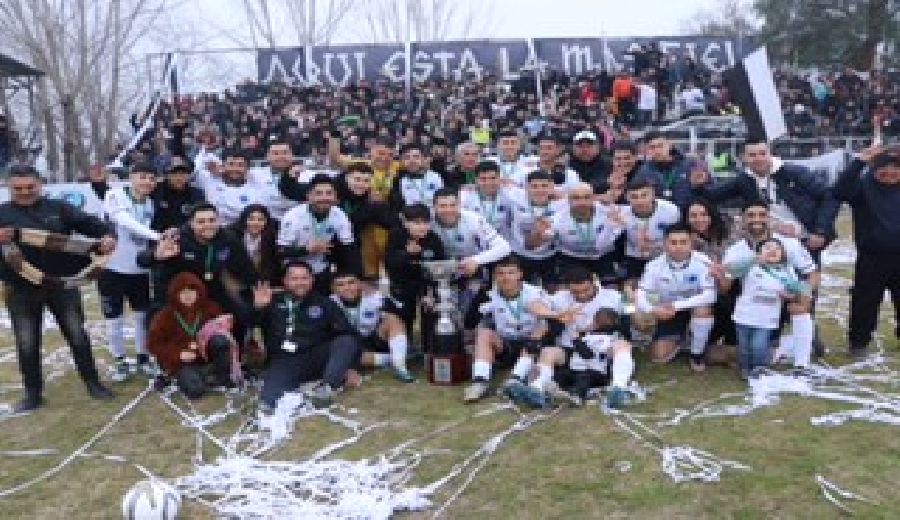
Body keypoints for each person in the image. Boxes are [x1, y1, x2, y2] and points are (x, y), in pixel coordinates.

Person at [0, 165, 116, 412]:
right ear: (9, 187)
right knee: (27, 342)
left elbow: (92, 224)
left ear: (40, 184)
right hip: (20, 288)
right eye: (18, 188)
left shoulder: (59, 208)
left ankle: (93, 384)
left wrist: (108, 235)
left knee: (77, 334)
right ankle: (32, 395)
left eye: (30, 187)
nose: (25, 192)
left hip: (62, 284)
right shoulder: (2, 213)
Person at [714, 201, 819, 370]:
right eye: (751, 215)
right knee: (747, 352)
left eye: (762, 215)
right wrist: (720, 276)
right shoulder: (735, 250)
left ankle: (802, 364)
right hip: (749, 306)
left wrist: (804, 296)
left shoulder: (788, 244)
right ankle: (779, 347)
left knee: (800, 307)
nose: (757, 219)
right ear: (742, 220)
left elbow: (813, 273)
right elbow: (726, 288)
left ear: (769, 218)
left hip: (783, 299)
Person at [143, 203, 258, 344]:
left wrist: (255, 289)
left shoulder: (228, 239)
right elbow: (141, 259)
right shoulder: (176, 237)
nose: (207, 225)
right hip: (177, 293)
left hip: (212, 290)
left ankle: (234, 352)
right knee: (158, 319)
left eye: (212, 220)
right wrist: (156, 255)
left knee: (242, 314)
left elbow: (247, 269)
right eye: (201, 222)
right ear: (191, 223)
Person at [252, 261, 361, 409]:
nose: (300, 283)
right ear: (285, 281)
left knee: (346, 341)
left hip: (316, 357)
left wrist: (351, 367)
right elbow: (251, 324)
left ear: (312, 280)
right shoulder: (271, 301)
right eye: (294, 279)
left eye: (304, 278)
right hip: (284, 360)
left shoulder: (324, 303)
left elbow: (349, 334)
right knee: (268, 403)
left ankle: (327, 388)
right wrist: (258, 308)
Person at [831, 146, 900, 357]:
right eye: (884, 169)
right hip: (872, 257)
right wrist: (859, 162)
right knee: (865, 302)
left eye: (895, 169)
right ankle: (859, 342)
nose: (890, 173)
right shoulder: (863, 187)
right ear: (874, 169)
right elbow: (839, 190)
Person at [466, 256, 559, 404]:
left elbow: (548, 319)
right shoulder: (489, 294)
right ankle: (480, 381)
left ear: (520, 274)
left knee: (538, 331)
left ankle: (515, 379)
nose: (506, 277)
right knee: (484, 333)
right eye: (501, 273)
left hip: (533, 345)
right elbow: (469, 322)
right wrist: (480, 303)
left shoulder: (535, 292)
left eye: (511, 272)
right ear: (495, 276)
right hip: (507, 344)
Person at [101, 162, 161, 381]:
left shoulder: (150, 202)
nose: (147, 182)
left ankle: (143, 358)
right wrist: (157, 236)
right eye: (142, 176)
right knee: (114, 319)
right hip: (112, 268)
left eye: (152, 178)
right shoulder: (114, 195)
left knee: (142, 317)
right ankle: (120, 361)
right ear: (132, 177)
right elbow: (124, 221)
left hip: (139, 270)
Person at [721, 238, 811, 379]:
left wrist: (792, 295)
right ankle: (745, 367)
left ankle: (758, 368)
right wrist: (753, 260)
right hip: (744, 316)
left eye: (777, 248)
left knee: (759, 346)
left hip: (767, 319)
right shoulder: (750, 267)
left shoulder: (786, 270)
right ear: (758, 253)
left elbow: (800, 288)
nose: (772, 250)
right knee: (744, 346)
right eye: (768, 247)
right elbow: (731, 270)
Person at [548, 266, 634, 407]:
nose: (582, 295)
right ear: (567, 288)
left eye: (586, 290)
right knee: (548, 352)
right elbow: (541, 313)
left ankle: (619, 387)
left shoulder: (613, 296)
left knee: (623, 345)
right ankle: (537, 387)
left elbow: (629, 318)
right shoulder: (558, 298)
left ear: (594, 282)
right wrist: (558, 318)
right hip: (569, 349)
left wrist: (630, 300)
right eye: (576, 292)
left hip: (602, 349)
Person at [634, 224, 716, 370]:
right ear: (665, 244)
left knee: (703, 309)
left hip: (692, 310)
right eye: (673, 242)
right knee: (659, 357)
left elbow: (710, 295)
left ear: (691, 243)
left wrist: (676, 306)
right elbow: (641, 293)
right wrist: (654, 310)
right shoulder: (654, 265)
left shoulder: (703, 262)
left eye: (683, 242)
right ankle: (686, 340)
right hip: (667, 313)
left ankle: (696, 355)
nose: (678, 247)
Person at [148, 272, 240, 398]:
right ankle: (198, 376)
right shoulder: (165, 316)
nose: (188, 296)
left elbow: (223, 333)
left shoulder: (211, 308)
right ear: (175, 294)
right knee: (195, 390)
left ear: (199, 292)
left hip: (205, 356)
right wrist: (178, 354)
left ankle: (220, 375)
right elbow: (153, 345)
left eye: (191, 291)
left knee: (221, 340)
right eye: (183, 292)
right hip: (181, 362)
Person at [277, 174, 361, 289]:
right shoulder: (293, 216)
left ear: (335, 197)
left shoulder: (339, 214)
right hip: (296, 269)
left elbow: (350, 248)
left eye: (329, 193)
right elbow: (280, 252)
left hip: (322, 267)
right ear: (308, 196)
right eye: (318, 193)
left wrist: (358, 278)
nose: (324, 198)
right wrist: (306, 249)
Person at [330, 271, 414, 382]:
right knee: (345, 353)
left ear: (359, 283)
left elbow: (405, 314)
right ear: (334, 289)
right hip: (352, 344)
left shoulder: (375, 297)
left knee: (392, 319)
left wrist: (386, 299)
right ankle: (396, 358)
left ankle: (401, 367)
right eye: (340, 285)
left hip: (375, 338)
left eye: (351, 283)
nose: (347, 288)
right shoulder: (330, 303)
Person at [384, 204, 447, 341]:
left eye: (425, 222)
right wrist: (407, 253)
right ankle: (405, 343)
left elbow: (441, 267)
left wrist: (431, 292)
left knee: (430, 312)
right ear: (406, 223)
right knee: (403, 316)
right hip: (402, 284)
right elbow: (390, 264)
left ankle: (429, 346)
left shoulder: (434, 239)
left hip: (426, 283)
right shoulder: (397, 236)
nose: (422, 227)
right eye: (417, 223)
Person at [543, 183, 622, 282]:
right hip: (571, 256)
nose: (582, 202)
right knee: (569, 287)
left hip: (603, 256)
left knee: (611, 287)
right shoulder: (557, 218)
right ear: (568, 200)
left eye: (587, 197)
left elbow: (604, 244)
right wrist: (543, 235)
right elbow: (544, 237)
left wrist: (611, 225)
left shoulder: (610, 213)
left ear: (594, 198)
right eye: (576, 198)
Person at [507, 171, 565, 285]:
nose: (539, 190)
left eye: (544, 186)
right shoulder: (514, 196)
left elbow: (585, 197)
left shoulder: (562, 204)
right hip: (519, 255)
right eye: (534, 186)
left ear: (551, 187)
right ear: (526, 188)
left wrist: (563, 195)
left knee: (552, 291)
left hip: (550, 255)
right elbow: (498, 183)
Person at [619, 180, 682, 281]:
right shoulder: (621, 214)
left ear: (653, 195)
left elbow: (678, 238)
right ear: (627, 198)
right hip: (634, 256)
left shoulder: (671, 211)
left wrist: (655, 247)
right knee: (632, 286)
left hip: (664, 255)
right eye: (634, 197)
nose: (640, 201)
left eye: (644, 195)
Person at [633, 131, 700, 208]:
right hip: (660, 213)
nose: (657, 150)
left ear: (670, 145)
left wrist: (699, 186)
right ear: (647, 150)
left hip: (686, 212)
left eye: (660, 146)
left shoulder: (690, 165)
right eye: (652, 147)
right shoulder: (643, 172)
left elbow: (708, 189)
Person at [228, 204, 281, 284]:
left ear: (266, 221)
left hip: (263, 279)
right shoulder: (232, 235)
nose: (256, 223)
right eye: (251, 219)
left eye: (260, 220)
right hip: (236, 278)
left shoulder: (272, 236)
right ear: (244, 220)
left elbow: (272, 264)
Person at [150, 155, 205, 233]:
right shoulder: (155, 190)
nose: (179, 177)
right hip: (156, 235)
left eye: (183, 173)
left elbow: (201, 218)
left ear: (189, 175)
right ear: (166, 174)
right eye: (174, 173)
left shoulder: (197, 194)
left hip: (187, 235)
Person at [459, 161, 515, 237]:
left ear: (499, 178)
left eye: (493, 178)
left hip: (504, 241)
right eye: (483, 179)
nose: (489, 182)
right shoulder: (465, 197)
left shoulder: (510, 195)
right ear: (476, 180)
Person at [388, 143, 444, 212]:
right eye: (407, 158)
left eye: (416, 157)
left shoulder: (436, 177)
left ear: (423, 158)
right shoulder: (398, 181)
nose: (412, 161)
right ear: (402, 161)